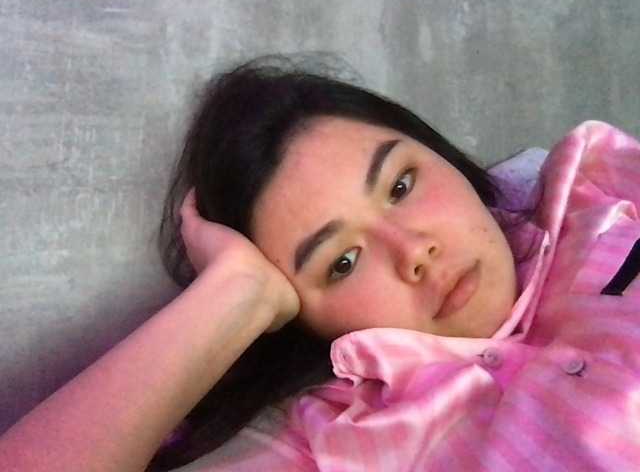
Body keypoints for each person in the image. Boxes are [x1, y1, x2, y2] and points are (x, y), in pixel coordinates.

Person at [0, 54, 638, 472]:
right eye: (343, 261)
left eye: (400, 185)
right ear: (303, 319)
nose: (413, 252)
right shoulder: (330, 441)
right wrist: (237, 294)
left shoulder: (588, 182)